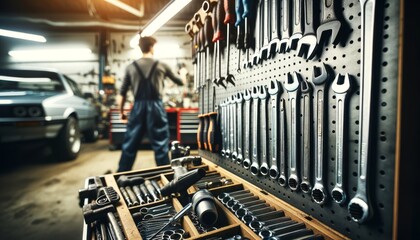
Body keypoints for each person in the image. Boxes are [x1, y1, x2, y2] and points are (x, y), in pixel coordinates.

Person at [117, 36, 184, 172]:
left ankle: (121, 176)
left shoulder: (131, 67)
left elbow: (122, 93)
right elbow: (181, 82)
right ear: (152, 47)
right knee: (160, 146)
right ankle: (167, 177)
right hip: (156, 107)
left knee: (130, 145)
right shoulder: (161, 65)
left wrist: (121, 112)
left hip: (138, 107)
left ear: (140, 48)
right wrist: (183, 73)